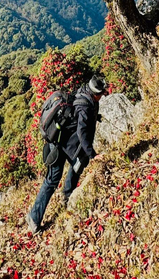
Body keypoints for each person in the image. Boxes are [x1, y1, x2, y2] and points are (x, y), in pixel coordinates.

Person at [26, 75, 107, 233]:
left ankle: (67, 196)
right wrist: (93, 155)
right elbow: (82, 133)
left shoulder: (84, 94)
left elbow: (77, 118)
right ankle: (34, 218)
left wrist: (95, 117)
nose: (103, 95)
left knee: (77, 166)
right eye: (102, 93)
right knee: (52, 180)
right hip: (59, 146)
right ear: (96, 93)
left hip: (66, 144)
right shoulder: (85, 105)